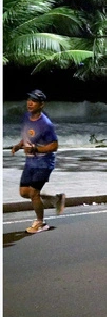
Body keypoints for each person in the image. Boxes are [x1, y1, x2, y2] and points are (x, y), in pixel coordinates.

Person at [10, 90, 65, 234]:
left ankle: (40, 223)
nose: (29, 103)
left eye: (34, 100)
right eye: (29, 99)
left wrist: (36, 149)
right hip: (30, 162)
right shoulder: (26, 117)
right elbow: (27, 134)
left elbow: (54, 146)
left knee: (34, 193)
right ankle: (55, 199)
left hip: (44, 163)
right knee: (24, 192)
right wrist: (19, 145)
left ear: (41, 104)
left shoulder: (46, 124)